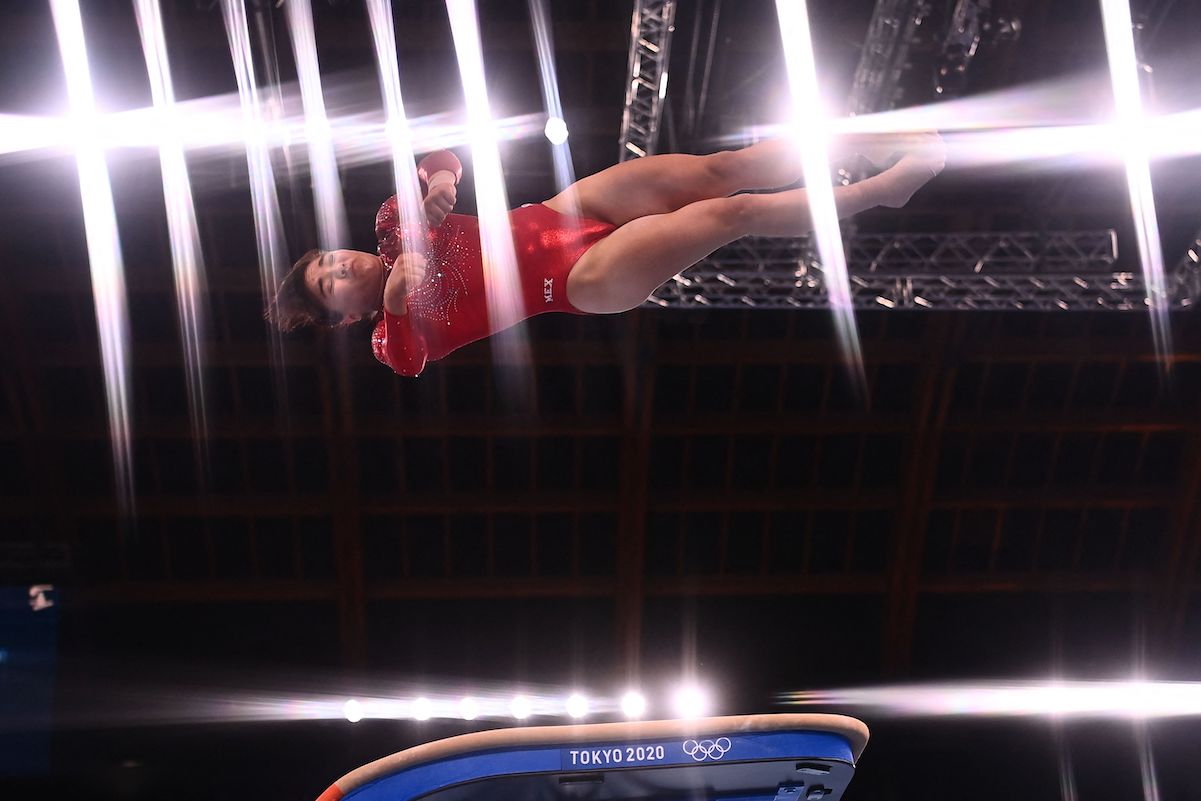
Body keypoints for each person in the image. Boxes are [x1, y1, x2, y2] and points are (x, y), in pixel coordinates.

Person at [269, 135, 946, 376]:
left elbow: (439, 160)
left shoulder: (394, 223)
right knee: (726, 214)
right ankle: (881, 193)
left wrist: (443, 182)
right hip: (576, 281)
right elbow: (412, 360)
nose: (339, 266)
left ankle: (865, 139)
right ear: (342, 316)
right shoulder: (391, 339)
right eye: (328, 282)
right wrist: (395, 298)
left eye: (328, 256)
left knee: (721, 170)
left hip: (564, 211)